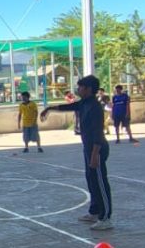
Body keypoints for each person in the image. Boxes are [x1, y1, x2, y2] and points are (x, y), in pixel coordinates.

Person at [42, 74, 112, 230]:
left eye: (80, 87)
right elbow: (67, 107)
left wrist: (94, 155)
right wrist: (49, 109)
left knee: (100, 182)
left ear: (88, 89)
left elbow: (98, 133)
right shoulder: (84, 103)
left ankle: (106, 217)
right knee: (91, 180)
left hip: (97, 149)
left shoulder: (95, 107)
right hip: (88, 148)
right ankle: (94, 211)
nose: (78, 89)